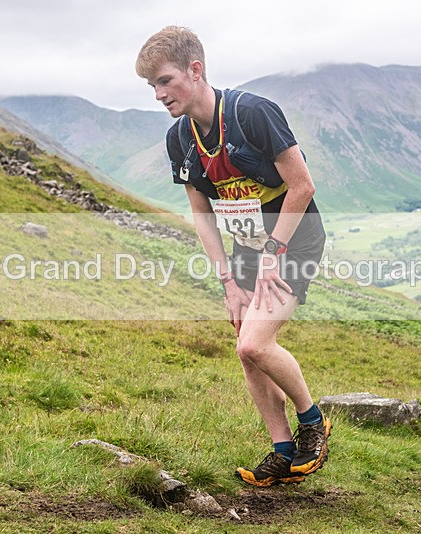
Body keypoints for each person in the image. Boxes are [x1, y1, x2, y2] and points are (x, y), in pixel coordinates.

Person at [135, 26, 330, 487]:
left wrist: (273, 252)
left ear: (195, 70)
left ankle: (313, 423)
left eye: (165, 81)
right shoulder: (178, 139)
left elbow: (302, 187)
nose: (159, 95)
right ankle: (283, 453)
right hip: (247, 246)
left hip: (293, 238)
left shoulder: (253, 113)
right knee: (247, 350)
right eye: (152, 87)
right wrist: (226, 281)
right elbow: (202, 214)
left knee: (254, 344)